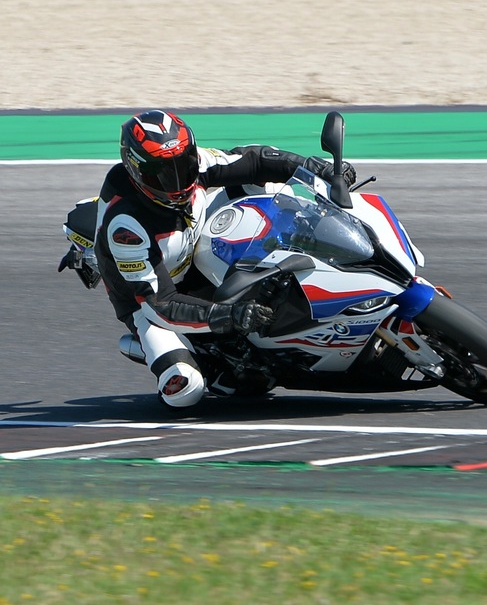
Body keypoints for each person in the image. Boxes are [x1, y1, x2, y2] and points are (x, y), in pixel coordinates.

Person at [82, 109, 355, 408]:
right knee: (185, 389)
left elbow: (255, 160)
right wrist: (230, 316)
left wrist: (315, 168)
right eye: (162, 174)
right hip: (151, 301)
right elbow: (160, 304)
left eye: (183, 164)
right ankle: (174, 352)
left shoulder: (196, 162)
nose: (178, 181)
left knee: (266, 184)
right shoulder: (126, 228)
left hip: (192, 245)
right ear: (136, 173)